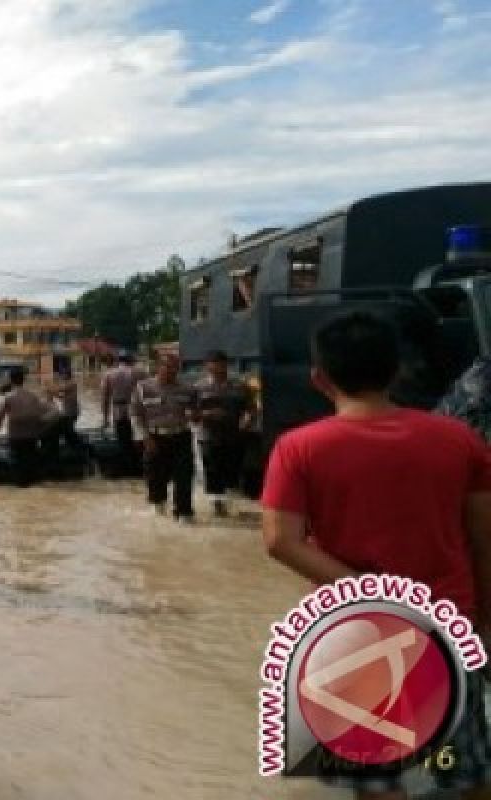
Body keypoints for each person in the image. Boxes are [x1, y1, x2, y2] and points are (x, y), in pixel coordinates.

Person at [262, 311, 491, 798]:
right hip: (452, 623)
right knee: (464, 772)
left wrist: (376, 592)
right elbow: (483, 538)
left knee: (376, 780)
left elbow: (281, 540)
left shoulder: (298, 448)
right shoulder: (459, 439)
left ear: (319, 378)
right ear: (397, 371)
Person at [131, 353, 198, 522]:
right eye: (167, 366)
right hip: (154, 438)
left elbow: (196, 414)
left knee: (184, 476)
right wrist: (145, 438)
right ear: (158, 367)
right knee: (155, 477)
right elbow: (135, 415)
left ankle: (184, 513)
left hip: (181, 437)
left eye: (175, 367)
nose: (171, 371)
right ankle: (158, 508)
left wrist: (196, 415)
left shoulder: (188, 389)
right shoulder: (143, 387)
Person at [195, 350, 255, 517]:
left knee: (232, 470)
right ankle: (217, 503)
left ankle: (229, 502)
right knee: (212, 469)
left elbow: (250, 408)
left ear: (226, 365)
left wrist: (247, 419)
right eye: (213, 364)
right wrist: (208, 414)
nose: (217, 367)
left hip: (234, 435)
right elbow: (190, 413)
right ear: (207, 366)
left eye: (221, 364)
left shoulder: (240, 386)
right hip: (208, 436)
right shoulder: (198, 388)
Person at [0, 367, 50, 487]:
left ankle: (21, 485)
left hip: (16, 436)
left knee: (18, 465)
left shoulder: (8, 397)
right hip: (31, 435)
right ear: (24, 380)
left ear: (10, 380)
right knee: (30, 461)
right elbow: (41, 415)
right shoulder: (33, 396)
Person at [101, 351, 145, 476]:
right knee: (139, 438)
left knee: (123, 440)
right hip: (138, 410)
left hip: (119, 410)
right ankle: (140, 467)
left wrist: (105, 418)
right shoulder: (141, 372)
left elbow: (105, 398)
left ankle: (129, 468)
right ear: (131, 360)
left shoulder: (109, 374)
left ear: (118, 361)